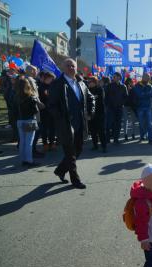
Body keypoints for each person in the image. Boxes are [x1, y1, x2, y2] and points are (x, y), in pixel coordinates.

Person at [48, 58, 95, 189]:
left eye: (73, 66)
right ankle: (75, 180)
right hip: (66, 124)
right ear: (63, 67)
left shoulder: (81, 82)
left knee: (78, 149)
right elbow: (51, 105)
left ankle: (60, 170)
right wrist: (61, 118)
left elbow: (90, 97)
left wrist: (91, 111)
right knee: (70, 153)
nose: (71, 68)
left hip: (80, 122)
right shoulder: (57, 84)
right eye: (68, 66)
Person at [15, 77, 40, 167]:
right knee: (29, 142)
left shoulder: (16, 96)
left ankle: (23, 159)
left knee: (22, 141)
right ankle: (29, 160)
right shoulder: (31, 97)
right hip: (29, 120)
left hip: (19, 120)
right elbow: (35, 111)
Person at [26, 65, 46, 158]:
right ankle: (32, 151)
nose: (36, 72)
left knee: (35, 131)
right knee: (34, 131)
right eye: (34, 70)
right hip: (33, 109)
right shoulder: (29, 80)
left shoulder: (30, 79)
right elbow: (33, 94)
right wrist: (39, 103)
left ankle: (32, 150)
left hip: (32, 109)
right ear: (29, 71)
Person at [132, 73, 152, 145]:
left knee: (149, 123)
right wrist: (146, 94)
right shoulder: (137, 85)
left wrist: (144, 94)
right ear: (143, 77)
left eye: (149, 78)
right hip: (140, 107)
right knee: (141, 123)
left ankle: (150, 138)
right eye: (147, 77)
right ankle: (142, 135)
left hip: (148, 107)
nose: (148, 79)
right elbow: (139, 94)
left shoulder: (149, 85)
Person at [105, 72, 127, 144]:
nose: (113, 78)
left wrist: (122, 103)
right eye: (113, 77)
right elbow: (106, 96)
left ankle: (116, 139)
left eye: (115, 77)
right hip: (111, 107)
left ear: (119, 77)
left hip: (119, 108)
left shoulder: (123, 86)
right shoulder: (109, 86)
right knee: (109, 123)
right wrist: (108, 104)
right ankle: (107, 138)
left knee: (118, 124)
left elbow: (126, 97)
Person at [38, 71, 56, 151]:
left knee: (52, 128)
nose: (51, 80)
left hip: (52, 110)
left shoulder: (53, 86)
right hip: (44, 111)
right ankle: (45, 144)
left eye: (52, 79)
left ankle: (52, 143)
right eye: (50, 78)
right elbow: (40, 99)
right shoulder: (41, 87)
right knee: (44, 128)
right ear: (45, 78)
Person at [88, 76, 107, 152]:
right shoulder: (87, 90)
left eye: (90, 82)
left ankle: (104, 146)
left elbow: (101, 100)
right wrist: (94, 97)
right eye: (88, 82)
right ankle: (95, 145)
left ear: (94, 82)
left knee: (101, 131)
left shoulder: (100, 89)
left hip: (100, 113)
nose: (89, 83)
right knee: (93, 131)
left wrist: (93, 98)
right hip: (91, 113)